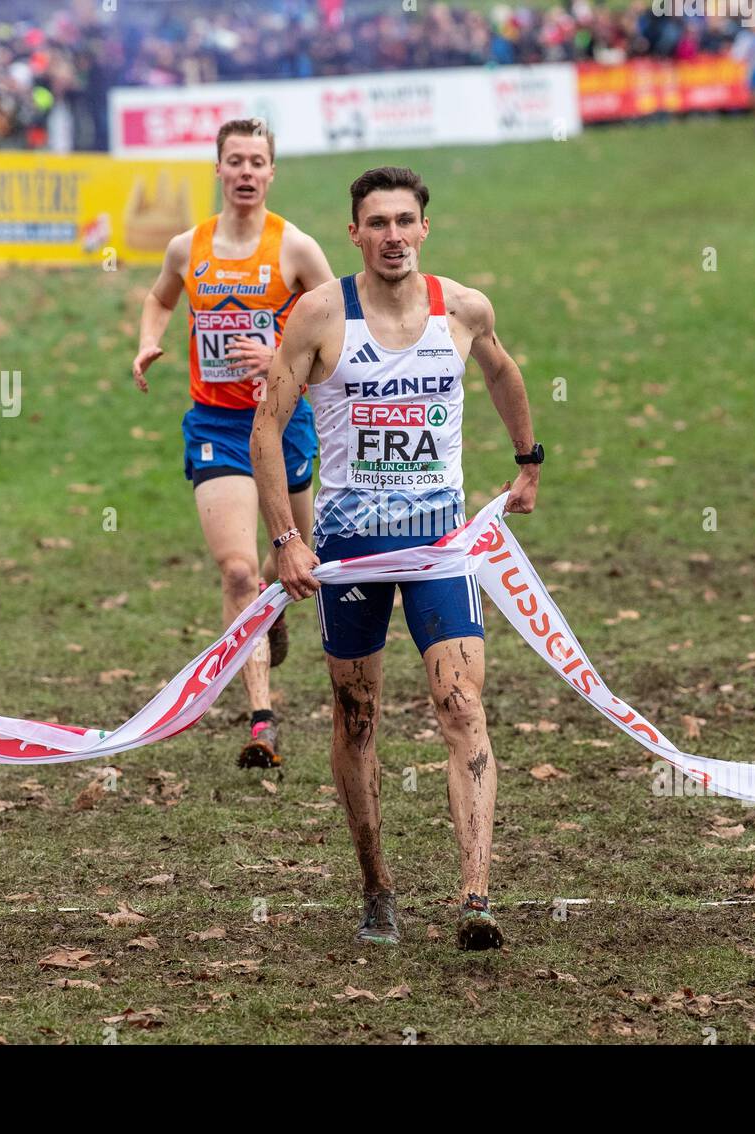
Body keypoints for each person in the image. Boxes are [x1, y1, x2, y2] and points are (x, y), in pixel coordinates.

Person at [251, 166, 542, 950]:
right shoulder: (319, 315)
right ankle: (376, 884)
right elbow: (266, 431)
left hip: (440, 546)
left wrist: (528, 460)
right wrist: (286, 540)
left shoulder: (465, 310)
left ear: (423, 228)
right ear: (354, 234)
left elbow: (505, 373)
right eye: (375, 223)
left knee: (462, 706)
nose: (391, 236)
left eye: (404, 221)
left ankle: (476, 895)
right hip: (348, 552)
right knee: (357, 717)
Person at [131, 118, 334, 769]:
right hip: (217, 426)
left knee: (296, 559)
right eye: (235, 161)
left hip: (283, 424)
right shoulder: (187, 248)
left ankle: (271, 614)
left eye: (257, 161)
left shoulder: (296, 248)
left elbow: (337, 327)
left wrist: (279, 352)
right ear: (218, 170)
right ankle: (261, 718)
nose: (246, 172)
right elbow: (160, 299)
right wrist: (148, 340)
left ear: (272, 173)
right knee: (242, 569)